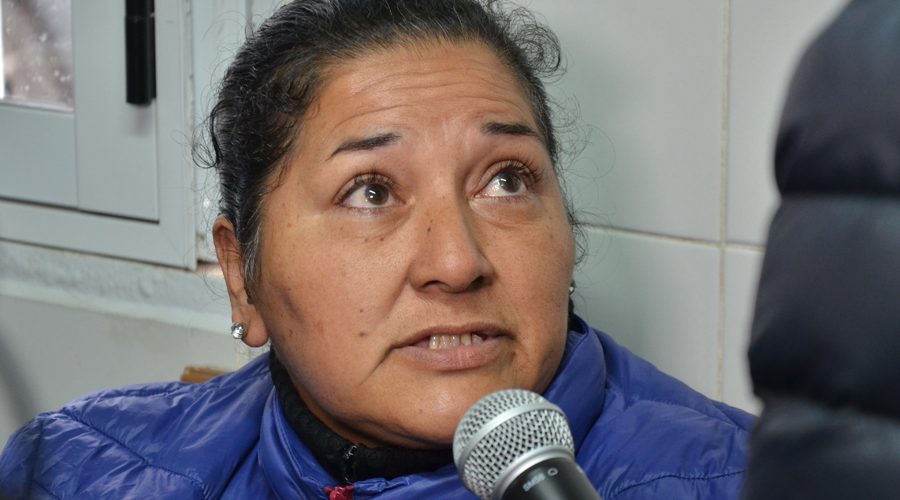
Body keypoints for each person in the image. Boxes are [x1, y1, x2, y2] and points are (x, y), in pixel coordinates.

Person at [0, 1, 753, 498]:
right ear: (242, 277)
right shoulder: (73, 472)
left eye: (507, 180)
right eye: (371, 192)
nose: (457, 263)